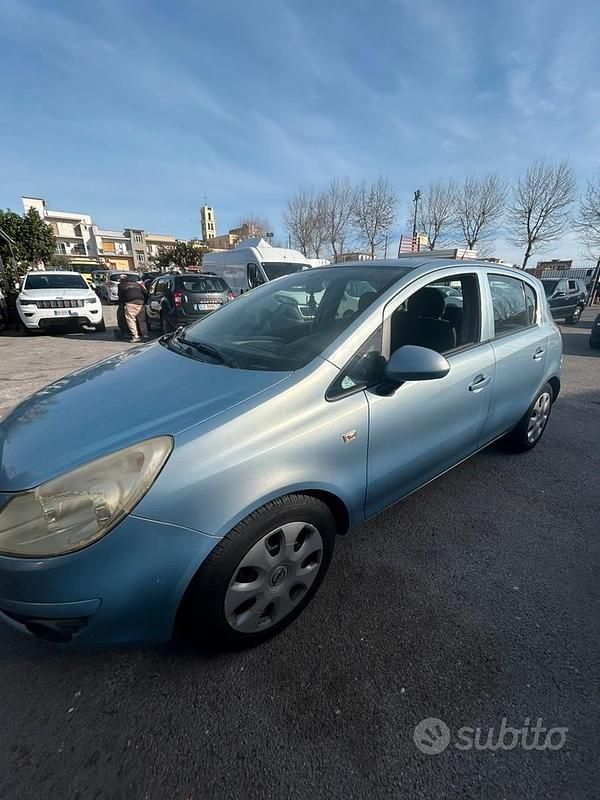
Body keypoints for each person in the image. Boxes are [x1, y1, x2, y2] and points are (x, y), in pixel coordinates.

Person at [117, 274, 148, 342]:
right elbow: (145, 292)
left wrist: (122, 303)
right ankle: (145, 334)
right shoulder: (136, 284)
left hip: (130, 302)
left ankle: (135, 336)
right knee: (142, 319)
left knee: (130, 319)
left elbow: (120, 295)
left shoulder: (121, 285)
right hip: (141, 301)